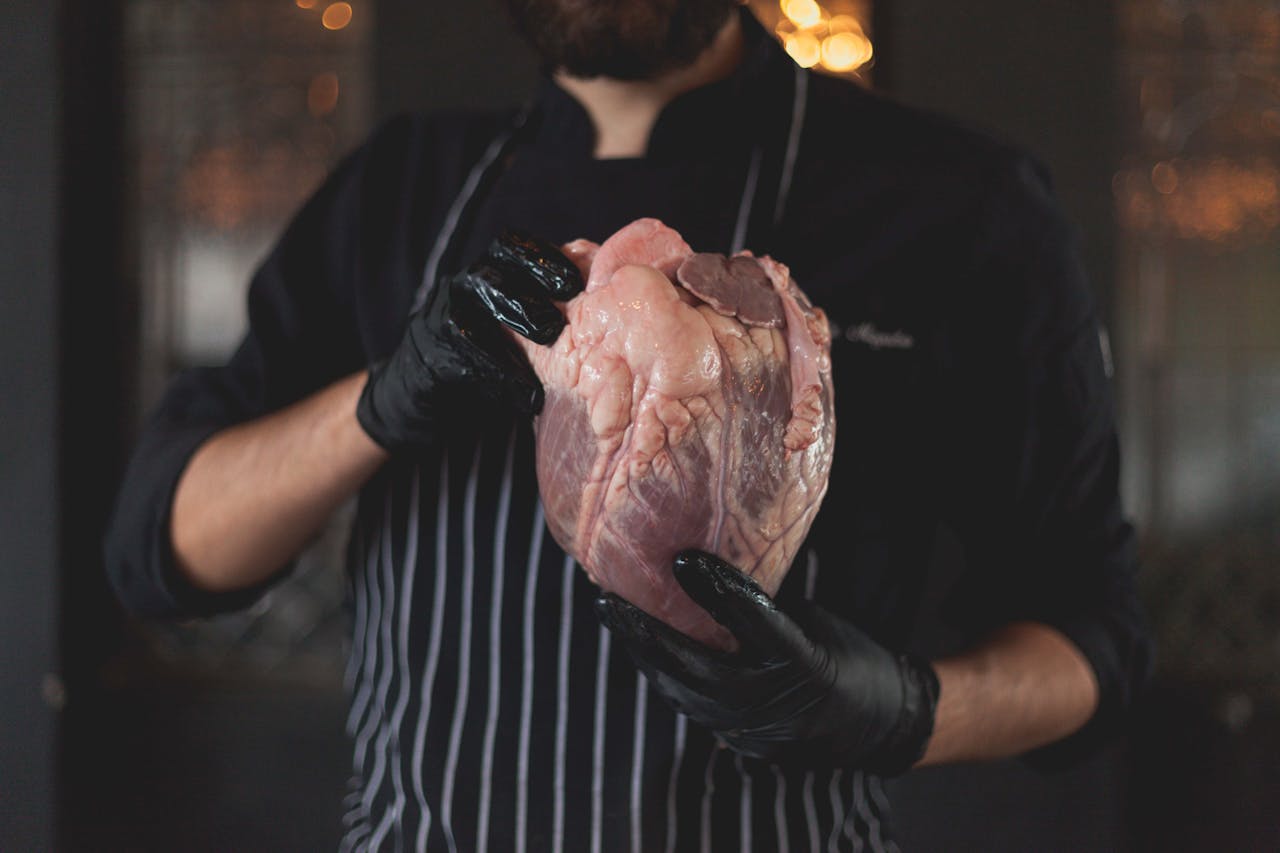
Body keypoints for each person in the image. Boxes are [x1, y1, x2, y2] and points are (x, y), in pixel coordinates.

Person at [104, 2, 1152, 850]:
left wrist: (897, 713)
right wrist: (379, 401)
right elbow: (163, 549)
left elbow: (1090, 640)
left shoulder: (958, 203)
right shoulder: (398, 189)